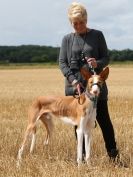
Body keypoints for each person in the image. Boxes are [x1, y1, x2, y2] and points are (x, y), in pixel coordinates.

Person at [58, 2, 119, 162]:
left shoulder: (97, 35)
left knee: (104, 121)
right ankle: (82, 158)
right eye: (75, 23)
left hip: (96, 89)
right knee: (79, 125)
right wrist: (72, 81)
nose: (78, 26)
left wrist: (97, 63)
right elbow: (62, 63)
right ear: (71, 23)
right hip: (76, 88)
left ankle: (114, 157)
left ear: (86, 20)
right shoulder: (67, 39)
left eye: (81, 22)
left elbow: (106, 57)